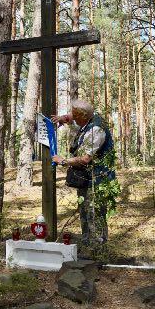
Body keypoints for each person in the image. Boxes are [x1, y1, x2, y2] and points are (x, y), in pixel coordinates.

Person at [52, 99, 115, 245]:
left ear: (83, 117)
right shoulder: (88, 118)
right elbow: (74, 116)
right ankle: (88, 243)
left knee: (95, 214)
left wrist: (63, 161)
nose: (72, 118)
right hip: (87, 179)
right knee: (85, 212)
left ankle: (98, 248)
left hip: (98, 180)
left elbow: (86, 159)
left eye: (75, 116)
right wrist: (64, 118)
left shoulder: (95, 130)